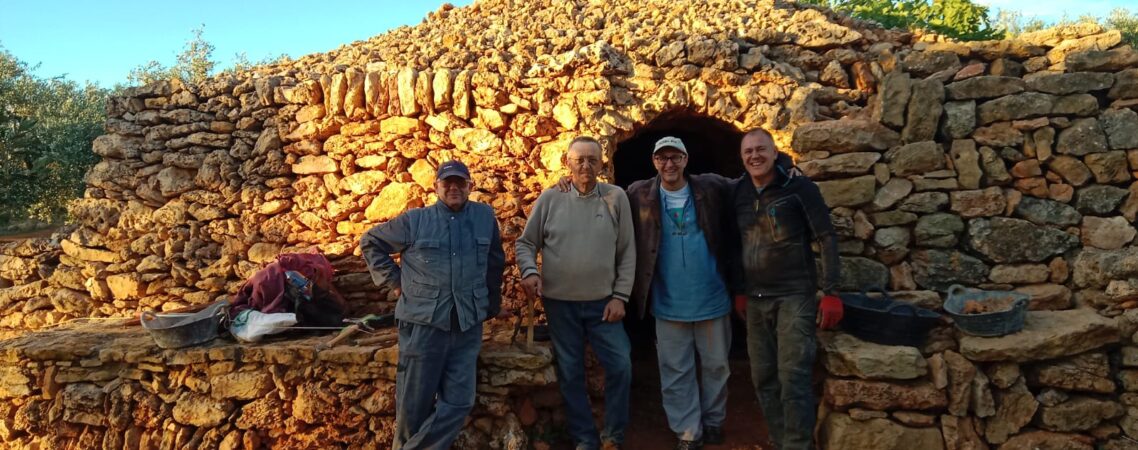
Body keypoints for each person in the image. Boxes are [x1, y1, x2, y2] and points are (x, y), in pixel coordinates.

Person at [360, 160, 505, 450]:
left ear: (470, 186)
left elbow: (494, 261)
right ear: (435, 186)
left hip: (467, 325)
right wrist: (395, 281)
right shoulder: (415, 220)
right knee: (413, 408)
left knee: (460, 402)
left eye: (460, 182)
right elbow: (371, 242)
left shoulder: (484, 217)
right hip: (423, 326)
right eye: (447, 183)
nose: (453, 188)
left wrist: (490, 303)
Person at [515, 136, 636, 450]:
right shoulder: (551, 198)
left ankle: (613, 436)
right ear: (567, 163)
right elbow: (526, 243)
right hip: (560, 305)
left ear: (602, 163)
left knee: (621, 365)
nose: (585, 166)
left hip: (603, 305)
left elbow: (627, 251)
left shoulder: (615, 197)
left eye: (592, 160)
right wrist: (530, 272)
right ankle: (585, 439)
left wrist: (620, 297)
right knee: (570, 373)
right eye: (579, 159)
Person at [730, 128, 842, 450]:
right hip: (755, 299)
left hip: (794, 296)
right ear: (741, 157)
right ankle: (781, 441)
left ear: (774, 151)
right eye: (748, 151)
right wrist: (739, 289)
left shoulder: (799, 187)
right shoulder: (739, 192)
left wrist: (831, 292)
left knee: (793, 378)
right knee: (763, 378)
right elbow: (734, 245)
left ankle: (797, 444)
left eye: (761, 149)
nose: (755, 156)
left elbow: (826, 237)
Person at [625, 136, 734, 450]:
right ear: (654, 162)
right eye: (662, 158)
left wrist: (784, 165)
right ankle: (688, 432)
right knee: (675, 370)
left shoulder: (710, 187)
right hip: (668, 302)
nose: (669, 164)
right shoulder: (639, 194)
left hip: (712, 298)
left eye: (675, 157)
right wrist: (568, 184)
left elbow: (751, 180)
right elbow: (604, 198)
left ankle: (713, 421)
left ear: (686, 159)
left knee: (717, 366)